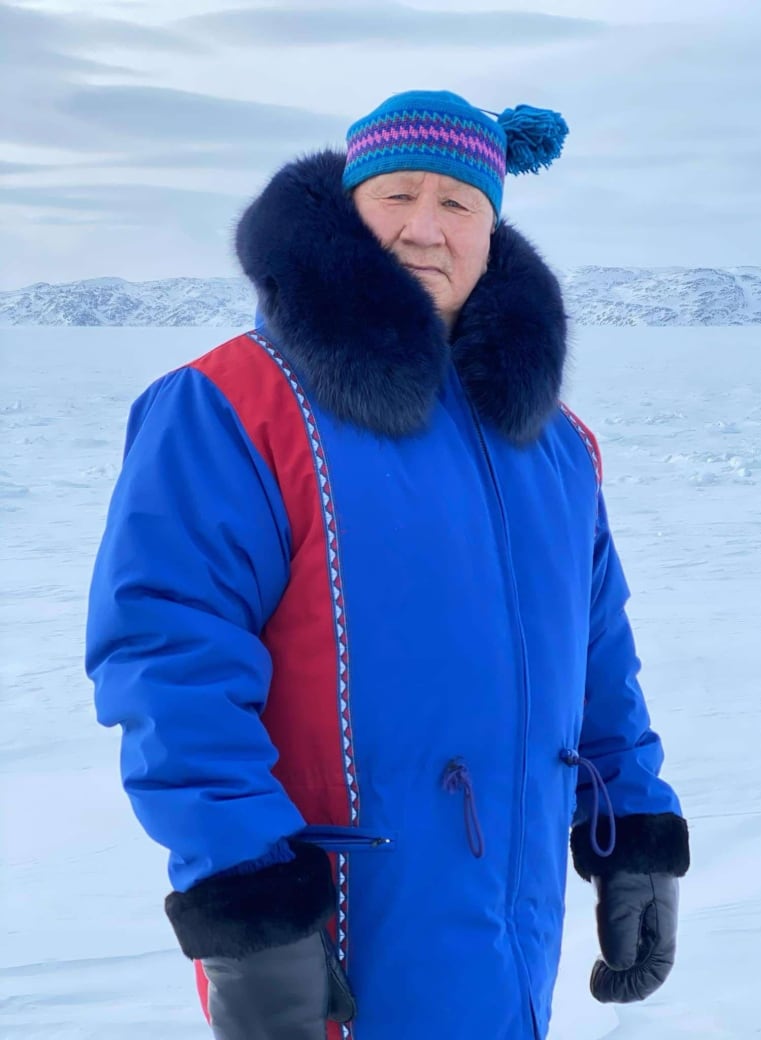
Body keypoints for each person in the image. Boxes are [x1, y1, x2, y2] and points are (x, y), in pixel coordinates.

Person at [86, 90, 690, 1040]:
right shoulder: (233, 406)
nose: (424, 228)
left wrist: (636, 833)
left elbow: (599, 653)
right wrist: (247, 903)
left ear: (493, 231)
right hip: (334, 933)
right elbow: (169, 665)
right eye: (397, 194)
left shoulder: (559, 446)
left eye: (458, 203)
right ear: (347, 208)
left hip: (513, 921)